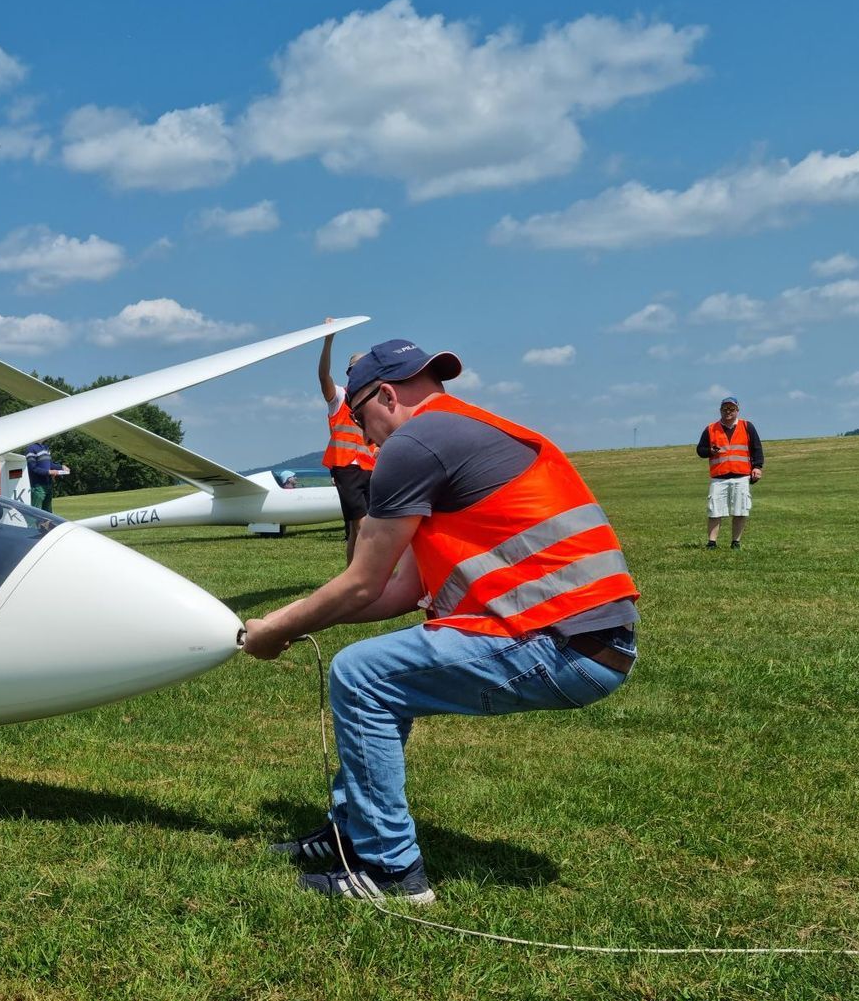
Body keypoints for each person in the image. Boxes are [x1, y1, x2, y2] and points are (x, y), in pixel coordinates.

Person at [244, 339, 639, 905]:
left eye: (358, 419)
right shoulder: (461, 429)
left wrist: (275, 628)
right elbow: (401, 589)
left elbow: (361, 582)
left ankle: (390, 872)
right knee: (380, 675)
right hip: (594, 641)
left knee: (363, 675)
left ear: (383, 396)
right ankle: (349, 835)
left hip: (560, 644)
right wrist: (302, 621)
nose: (364, 436)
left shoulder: (414, 445)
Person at [318, 322, 377, 563]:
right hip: (346, 467)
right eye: (357, 369)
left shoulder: (374, 398)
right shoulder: (340, 396)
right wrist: (328, 339)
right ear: (350, 373)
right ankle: (366, 579)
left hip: (370, 467)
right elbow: (323, 376)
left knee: (357, 528)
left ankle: (351, 574)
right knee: (364, 528)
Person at [698, 396, 764, 549]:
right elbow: (700, 450)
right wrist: (710, 451)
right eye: (725, 409)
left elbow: (757, 448)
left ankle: (736, 542)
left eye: (731, 409)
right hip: (719, 477)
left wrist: (757, 467)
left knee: (740, 510)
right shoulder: (710, 428)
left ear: (737, 411)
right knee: (714, 510)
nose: (728, 412)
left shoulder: (747, 426)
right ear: (720, 410)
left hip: (741, 476)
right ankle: (712, 542)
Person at [25, 440, 61, 513]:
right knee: (36, 514)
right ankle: (32, 525)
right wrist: (49, 472)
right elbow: (33, 468)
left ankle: (46, 525)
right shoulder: (31, 448)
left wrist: (62, 467)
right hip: (38, 486)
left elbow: (50, 465)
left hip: (48, 485)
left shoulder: (46, 447)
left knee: (48, 514)